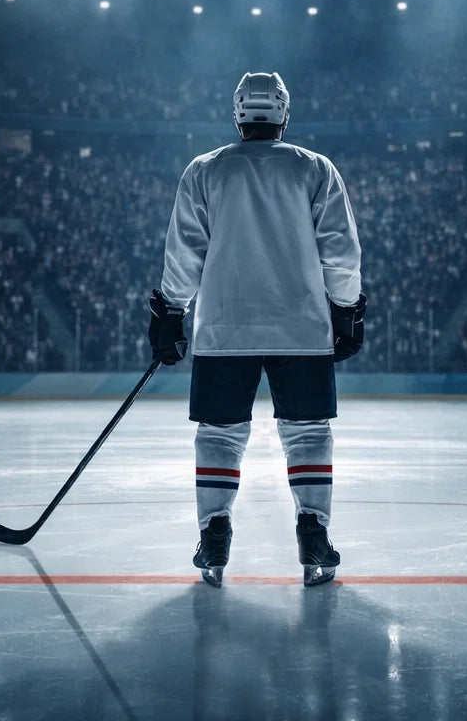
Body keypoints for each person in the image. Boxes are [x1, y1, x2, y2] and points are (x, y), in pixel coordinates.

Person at [149, 71, 365, 587]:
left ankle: (215, 532)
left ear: (238, 114)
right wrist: (348, 308)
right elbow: (340, 247)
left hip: (225, 328)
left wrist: (170, 310)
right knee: (309, 432)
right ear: (284, 114)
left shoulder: (206, 170)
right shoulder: (314, 168)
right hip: (301, 327)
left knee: (220, 435)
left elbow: (185, 252)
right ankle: (313, 531)